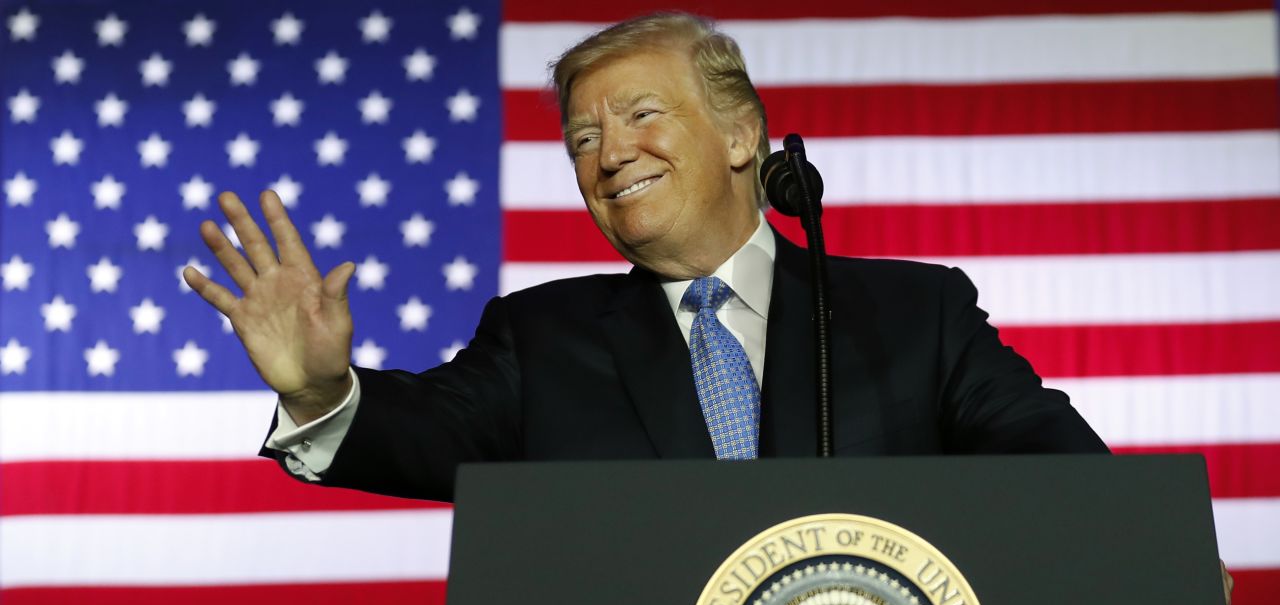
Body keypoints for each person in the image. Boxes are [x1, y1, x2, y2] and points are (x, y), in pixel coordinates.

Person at [183, 12, 1109, 502]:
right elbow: (425, 434)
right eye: (581, 139)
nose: (608, 153)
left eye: (639, 115)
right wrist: (317, 393)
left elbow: (1058, 466)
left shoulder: (916, 316)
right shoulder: (540, 338)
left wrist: (1151, 552)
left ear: (743, 136)